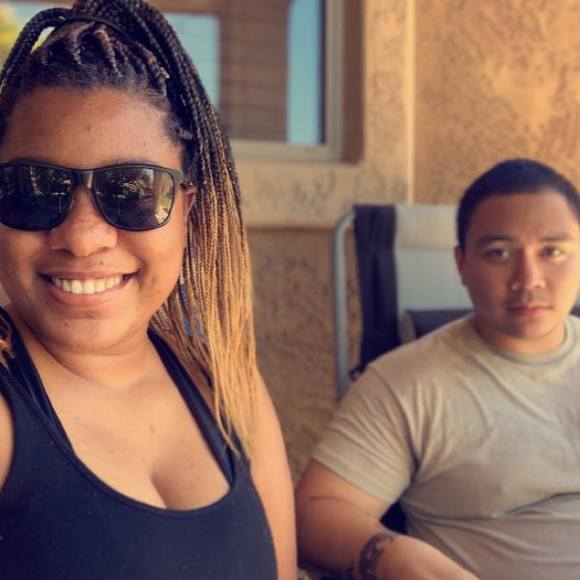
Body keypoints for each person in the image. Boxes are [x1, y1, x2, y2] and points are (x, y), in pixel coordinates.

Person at [0, 1, 296, 578]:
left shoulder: (227, 380)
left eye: (132, 190)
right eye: (36, 188)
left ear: (187, 210)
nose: (82, 237)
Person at [296, 158, 580, 580]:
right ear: (461, 264)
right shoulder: (406, 383)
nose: (528, 278)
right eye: (499, 253)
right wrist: (391, 557)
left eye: (552, 252)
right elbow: (313, 515)